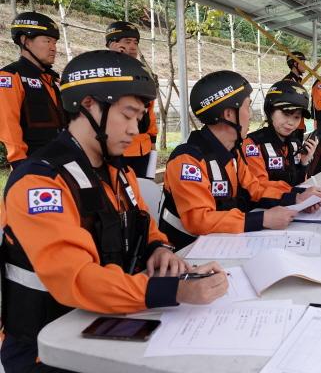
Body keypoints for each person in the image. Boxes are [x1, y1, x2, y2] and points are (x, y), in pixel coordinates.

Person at [0, 50, 228, 373]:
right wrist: (175, 290)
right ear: (88, 104)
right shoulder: (40, 184)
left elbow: (144, 225)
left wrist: (159, 249)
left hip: (110, 323)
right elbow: (76, 278)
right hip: (47, 350)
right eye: (128, 115)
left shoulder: (119, 173)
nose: (135, 129)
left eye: (139, 118)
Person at [159, 71, 321, 250]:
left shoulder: (232, 152)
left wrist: (297, 197)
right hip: (186, 253)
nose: (251, 115)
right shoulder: (187, 160)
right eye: (247, 107)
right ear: (229, 114)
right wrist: (262, 219)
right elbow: (199, 220)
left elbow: (255, 188)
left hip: (224, 244)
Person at [0, 11, 66, 169]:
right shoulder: (10, 76)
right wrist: (19, 162)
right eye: (47, 41)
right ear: (25, 41)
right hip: (34, 164)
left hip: (62, 160)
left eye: (55, 43)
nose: (53, 48)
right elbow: (8, 124)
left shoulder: (51, 79)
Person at [105, 21, 159, 178]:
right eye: (127, 42)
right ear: (112, 44)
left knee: (143, 188)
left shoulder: (142, 73)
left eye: (135, 42)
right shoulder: (103, 71)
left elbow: (149, 110)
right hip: (117, 148)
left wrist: (153, 141)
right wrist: (114, 59)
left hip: (143, 148)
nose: (133, 47)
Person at [243, 80, 317, 191]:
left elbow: (300, 184)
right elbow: (259, 187)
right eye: (286, 114)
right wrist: (295, 194)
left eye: (297, 117)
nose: (291, 122)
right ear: (270, 111)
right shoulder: (253, 144)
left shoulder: (295, 144)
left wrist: (304, 163)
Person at [283, 51, 308, 141]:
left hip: (298, 124)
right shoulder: (288, 81)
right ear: (295, 64)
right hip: (291, 125)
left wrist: (301, 123)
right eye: (303, 62)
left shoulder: (297, 81)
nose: (305, 66)